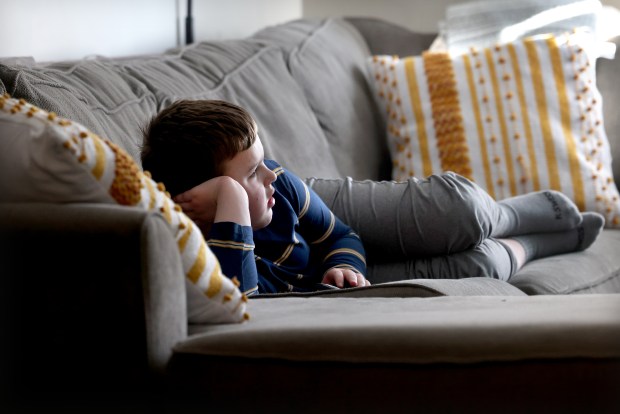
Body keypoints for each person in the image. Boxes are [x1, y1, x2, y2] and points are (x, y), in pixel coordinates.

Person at [140, 99, 604, 295]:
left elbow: (339, 232)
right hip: (315, 286)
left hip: (321, 215)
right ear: (199, 198)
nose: (270, 174)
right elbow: (243, 303)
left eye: (265, 162)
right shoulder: (200, 247)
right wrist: (234, 204)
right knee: (474, 268)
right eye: (251, 175)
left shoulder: (279, 187)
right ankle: (540, 244)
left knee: (454, 211)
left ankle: (518, 212)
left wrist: (348, 262)